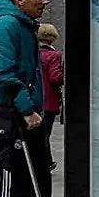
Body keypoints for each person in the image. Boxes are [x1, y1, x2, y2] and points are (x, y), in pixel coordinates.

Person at [0, 0, 81, 197]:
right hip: (11, 114)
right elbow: (1, 73)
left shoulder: (25, 24)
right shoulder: (6, 25)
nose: (45, 1)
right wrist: (26, 109)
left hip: (31, 114)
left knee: (40, 175)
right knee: (13, 178)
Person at [37, 23, 63, 172]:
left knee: (38, 134)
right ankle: (45, 163)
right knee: (45, 134)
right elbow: (55, 78)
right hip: (49, 101)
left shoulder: (34, 54)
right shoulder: (53, 56)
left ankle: (44, 161)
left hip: (36, 99)